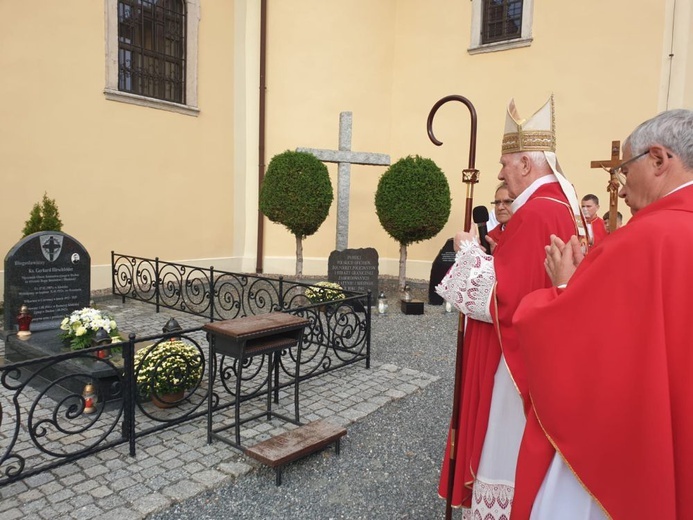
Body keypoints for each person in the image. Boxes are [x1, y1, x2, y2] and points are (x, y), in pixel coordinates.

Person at [511, 108, 693, 519]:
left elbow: (582, 348)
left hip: (633, 452)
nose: (623, 189)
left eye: (626, 170)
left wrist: (561, 287)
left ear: (660, 160)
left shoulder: (643, 239)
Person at [435, 96, 587, 518]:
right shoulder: (565, 204)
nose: (500, 172)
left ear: (525, 164)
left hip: (520, 361)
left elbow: (503, 297)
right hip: (548, 354)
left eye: (505, 163)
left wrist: (468, 254)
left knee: (506, 442)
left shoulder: (537, 212)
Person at [486, 182, 514, 251]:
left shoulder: (527, 233)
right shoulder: (490, 237)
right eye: (497, 203)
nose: (500, 207)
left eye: (507, 202)